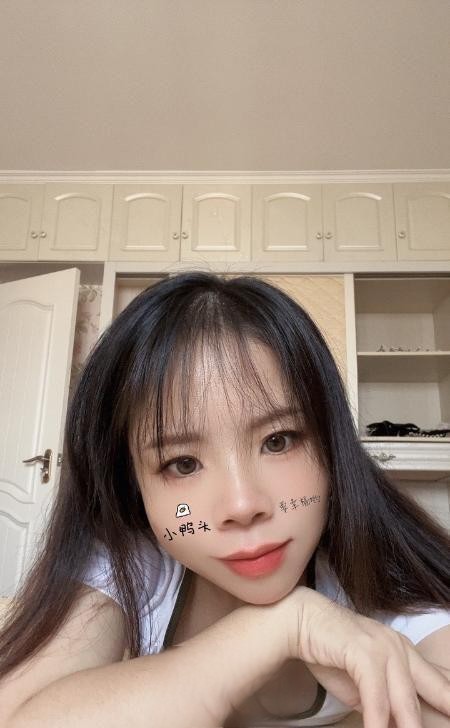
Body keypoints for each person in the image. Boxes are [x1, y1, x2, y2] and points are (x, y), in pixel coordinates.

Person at [0, 270, 449, 728]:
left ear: (331, 445)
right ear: (131, 482)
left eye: (278, 441)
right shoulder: (129, 564)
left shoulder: (379, 574)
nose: (242, 505)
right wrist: (285, 625)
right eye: (182, 464)